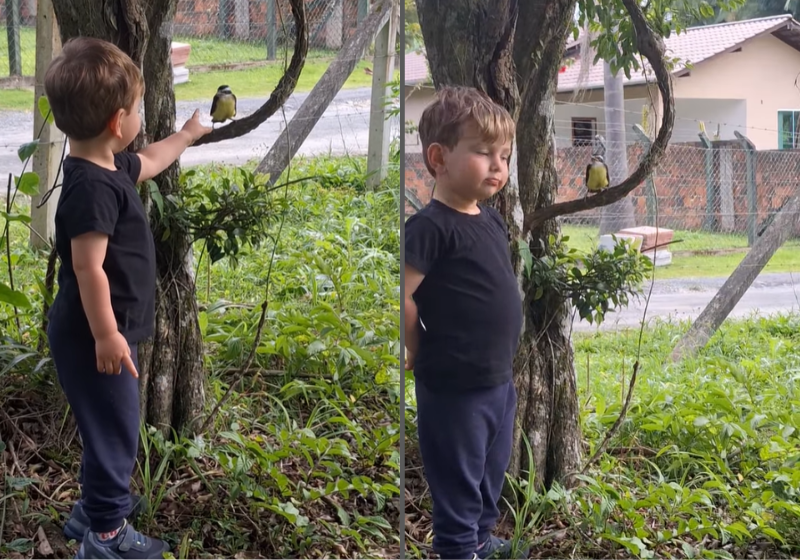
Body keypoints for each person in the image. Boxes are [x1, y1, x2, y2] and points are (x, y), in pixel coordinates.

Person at [43, 36, 211, 559]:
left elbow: (152, 159)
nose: (142, 118)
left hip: (103, 334)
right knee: (118, 431)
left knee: (108, 426)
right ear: (118, 121)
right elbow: (87, 267)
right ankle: (107, 536)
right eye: (138, 108)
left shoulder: (106, 167)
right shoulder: (91, 189)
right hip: (95, 337)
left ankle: (91, 510)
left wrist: (188, 134)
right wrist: (108, 335)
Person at [404, 86, 528, 560]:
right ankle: (457, 549)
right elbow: (405, 296)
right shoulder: (429, 229)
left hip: (497, 382)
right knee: (457, 485)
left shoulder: (491, 220)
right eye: (483, 153)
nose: (498, 165)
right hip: (454, 386)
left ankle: (479, 540)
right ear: (439, 158)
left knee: (488, 477)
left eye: (505, 155)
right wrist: (415, 346)